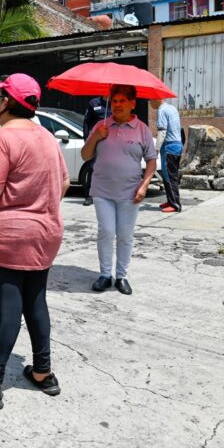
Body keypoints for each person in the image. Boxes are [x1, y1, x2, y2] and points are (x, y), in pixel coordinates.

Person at [0, 73, 69, 410]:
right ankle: (43, 372)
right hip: (45, 233)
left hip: (8, 236)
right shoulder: (47, 137)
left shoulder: (1, 138)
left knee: (8, 308)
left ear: (7, 102)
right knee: (36, 302)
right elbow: (62, 185)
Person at [81, 84, 157, 296]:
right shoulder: (101, 126)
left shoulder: (142, 129)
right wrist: (96, 137)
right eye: (114, 101)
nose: (118, 105)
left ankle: (121, 276)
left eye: (123, 101)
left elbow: (151, 160)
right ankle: (105, 275)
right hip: (102, 190)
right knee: (106, 231)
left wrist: (144, 185)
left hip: (130, 192)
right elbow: (85, 156)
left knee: (125, 235)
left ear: (133, 103)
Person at [151, 99, 183, 213]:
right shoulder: (172, 108)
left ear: (157, 99)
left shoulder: (162, 110)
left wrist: (156, 148)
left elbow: (162, 131)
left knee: (170, 176)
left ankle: (175, 205)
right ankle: (170, 201)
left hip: (169, 146)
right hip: (177, 145)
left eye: (151, 100)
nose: (150, 103)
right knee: (166, 175)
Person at [81, 97, 110, 206]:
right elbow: (86, 122)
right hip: (95, 140)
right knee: (92, 167)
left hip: (110, 142)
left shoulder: (115, 103)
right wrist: (87, 139)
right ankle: (89, 196)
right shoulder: (93, 103)